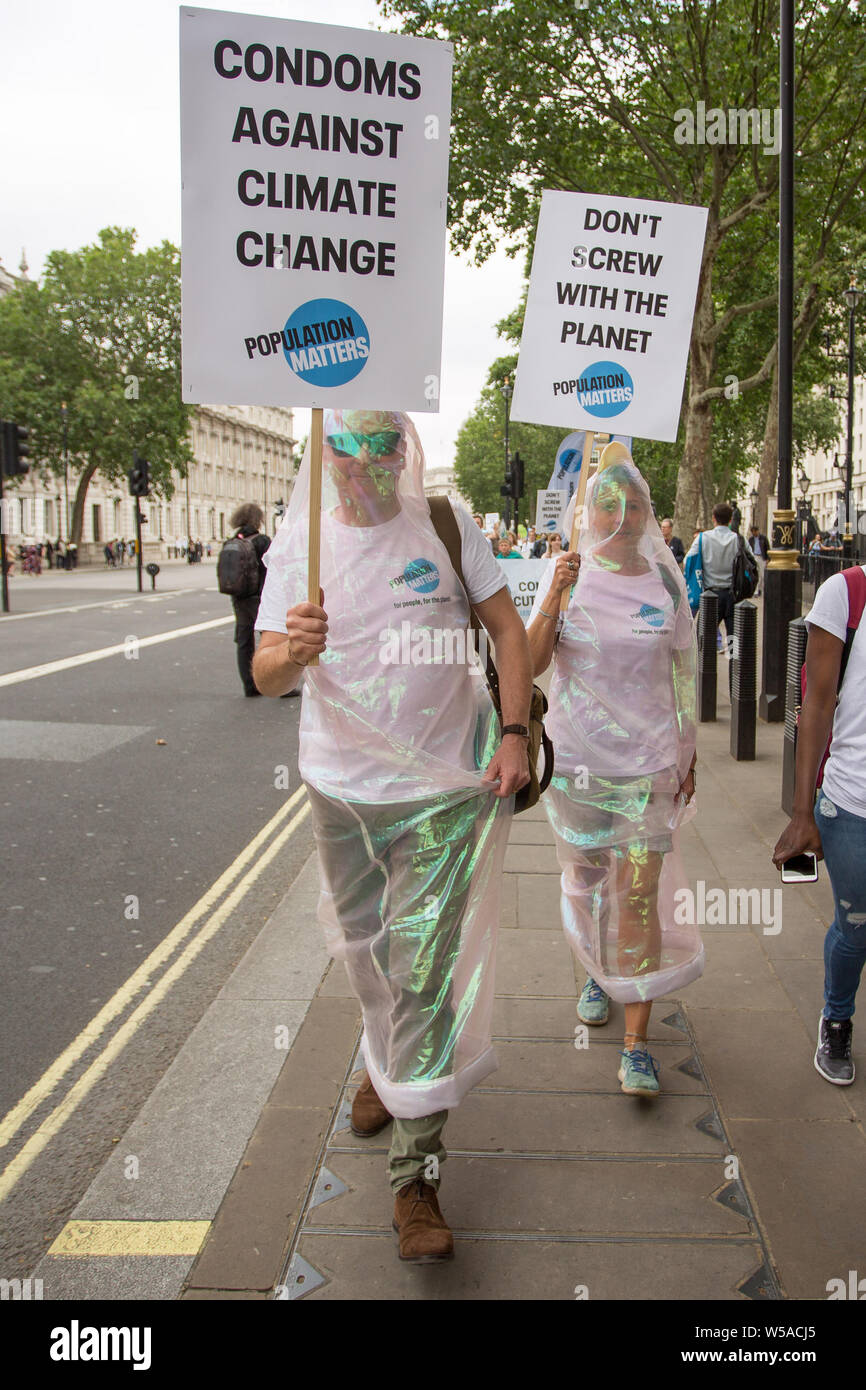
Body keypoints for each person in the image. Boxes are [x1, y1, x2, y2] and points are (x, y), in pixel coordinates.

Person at [252, 409, 532, 1262]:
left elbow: (508, 630)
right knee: (370, 955)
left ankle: (417, 1179)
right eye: (348, 447)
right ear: (324, 454)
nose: (366, 464)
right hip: (341, 790)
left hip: (442, 792)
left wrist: (514, 732)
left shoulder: (446, 525)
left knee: (423, 968)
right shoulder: (297, 545)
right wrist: (291, 651)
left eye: (383, 447)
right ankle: (384, 1065)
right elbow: (263, 676)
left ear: (404, 450)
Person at [527, 456, 700, 1097]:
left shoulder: (665, 580)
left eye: (632, 506)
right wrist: (554, 596)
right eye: (608, 505)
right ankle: (596, 971)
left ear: (647, 514)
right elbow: (535, 661)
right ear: (588, 513)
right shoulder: (569, 572)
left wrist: (687, 751)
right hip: (578, 765)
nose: (621, 517)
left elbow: (682, 672)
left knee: (637, 895)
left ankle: (636, 1045)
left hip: (649, 766)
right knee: (587, 881)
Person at [773, 560, 866, 1084]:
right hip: (854, 799)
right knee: (856, 926)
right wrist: (802, 811)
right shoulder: (846, 592)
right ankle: (837, 1017)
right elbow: (817, 702)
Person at [684, 503, 756, 658]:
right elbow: (752, 562)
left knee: (705, 643)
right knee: (734, 643)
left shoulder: (703, 538)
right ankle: (734, 673)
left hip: (710, 596)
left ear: (713, 518)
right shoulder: (738, 539)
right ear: (730, 519)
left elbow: (688, 559)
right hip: (733, 596)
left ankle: (707, 679)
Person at [225, 503, 271, 697]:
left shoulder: (232, 541)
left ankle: (249, 685)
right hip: (260, 596)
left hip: (240, 597)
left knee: (244, 640)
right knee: (270, 639)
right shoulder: (262, 541)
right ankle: (274, 684)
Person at [749, 524, 770, 595]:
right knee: (756, 574)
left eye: (755, 532)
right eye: (753, 532)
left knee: (762, 575)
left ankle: (761, 589)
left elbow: (767, 548)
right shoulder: (751, 539)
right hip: (754, 556)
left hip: (762, 557)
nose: (754, 533)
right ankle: (756, 590)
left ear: (758, 531)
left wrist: (767, 559)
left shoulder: (763, 538)